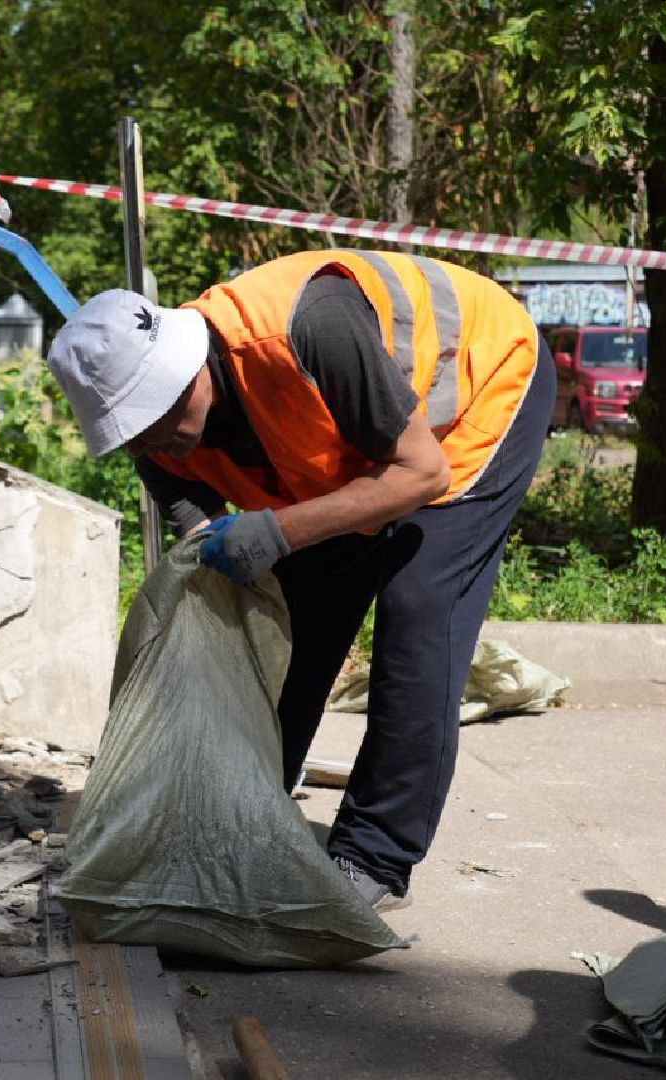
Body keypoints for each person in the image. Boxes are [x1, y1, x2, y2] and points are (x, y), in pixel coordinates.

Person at [47, 249, 553, 910]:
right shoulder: (161, 443)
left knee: (416, 617)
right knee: (294, 621)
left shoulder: (310, 325)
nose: (152, 443)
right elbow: (219, 553)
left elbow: (419, 474)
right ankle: (245, 814)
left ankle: (373, 855)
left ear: (184, 369)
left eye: (155, 418)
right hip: (356, 455)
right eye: (132, 433)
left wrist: (280, 532)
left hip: (472, 402)